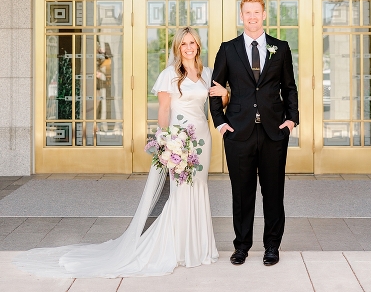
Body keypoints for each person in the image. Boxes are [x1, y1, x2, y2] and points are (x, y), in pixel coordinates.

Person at [14, 27, 221, 277]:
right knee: (180, 192)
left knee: (199, 188)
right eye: (184, 43)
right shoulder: (169, 74)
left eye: (193, 43)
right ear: (177, 47)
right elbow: (164, 111)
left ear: (198, 45)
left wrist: (226, 93)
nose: (189, 47)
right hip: (180, 138)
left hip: (202, 138)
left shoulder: (206, 73)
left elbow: (217, 102)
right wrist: (166, 139)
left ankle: (199, 248)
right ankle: (178, 249)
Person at [209, 0, 299, 267]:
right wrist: (221, 123)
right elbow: (215, 89)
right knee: (242, 193)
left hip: (273, 132)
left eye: (256, 12)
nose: (252, 17)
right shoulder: (228, 49)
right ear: (241, 16)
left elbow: (289, 87)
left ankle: (272, 246)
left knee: (273, 192)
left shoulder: (280, 48)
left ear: (263, 15)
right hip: (238, 133)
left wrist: (291, 120)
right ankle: (242, 247)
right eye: (247, 12)